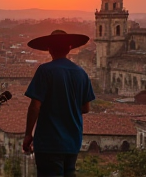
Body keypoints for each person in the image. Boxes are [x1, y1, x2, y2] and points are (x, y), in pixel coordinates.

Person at [22, 30, 95, 177]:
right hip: (72, 142)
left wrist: (28, 134)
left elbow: (35, 106)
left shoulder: (45, 71)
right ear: (69, 48)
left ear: (49, 49)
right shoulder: (82, 73)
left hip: (49, 142)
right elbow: (86, 108)